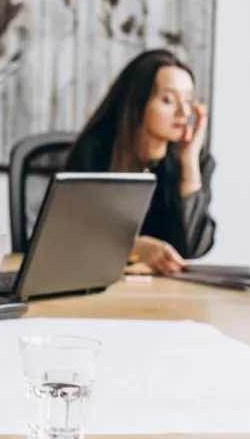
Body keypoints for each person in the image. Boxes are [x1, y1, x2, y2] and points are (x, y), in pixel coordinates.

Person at [64, 49, 215, 274]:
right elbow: (72, 238)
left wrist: (190, 164)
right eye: (168, 100)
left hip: (167, 297)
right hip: (100, 288)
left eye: (188, 101)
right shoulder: (96, 150)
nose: (183, 112)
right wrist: (132, 247)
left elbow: (194, 249)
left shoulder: (192, 160)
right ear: (138, 102)